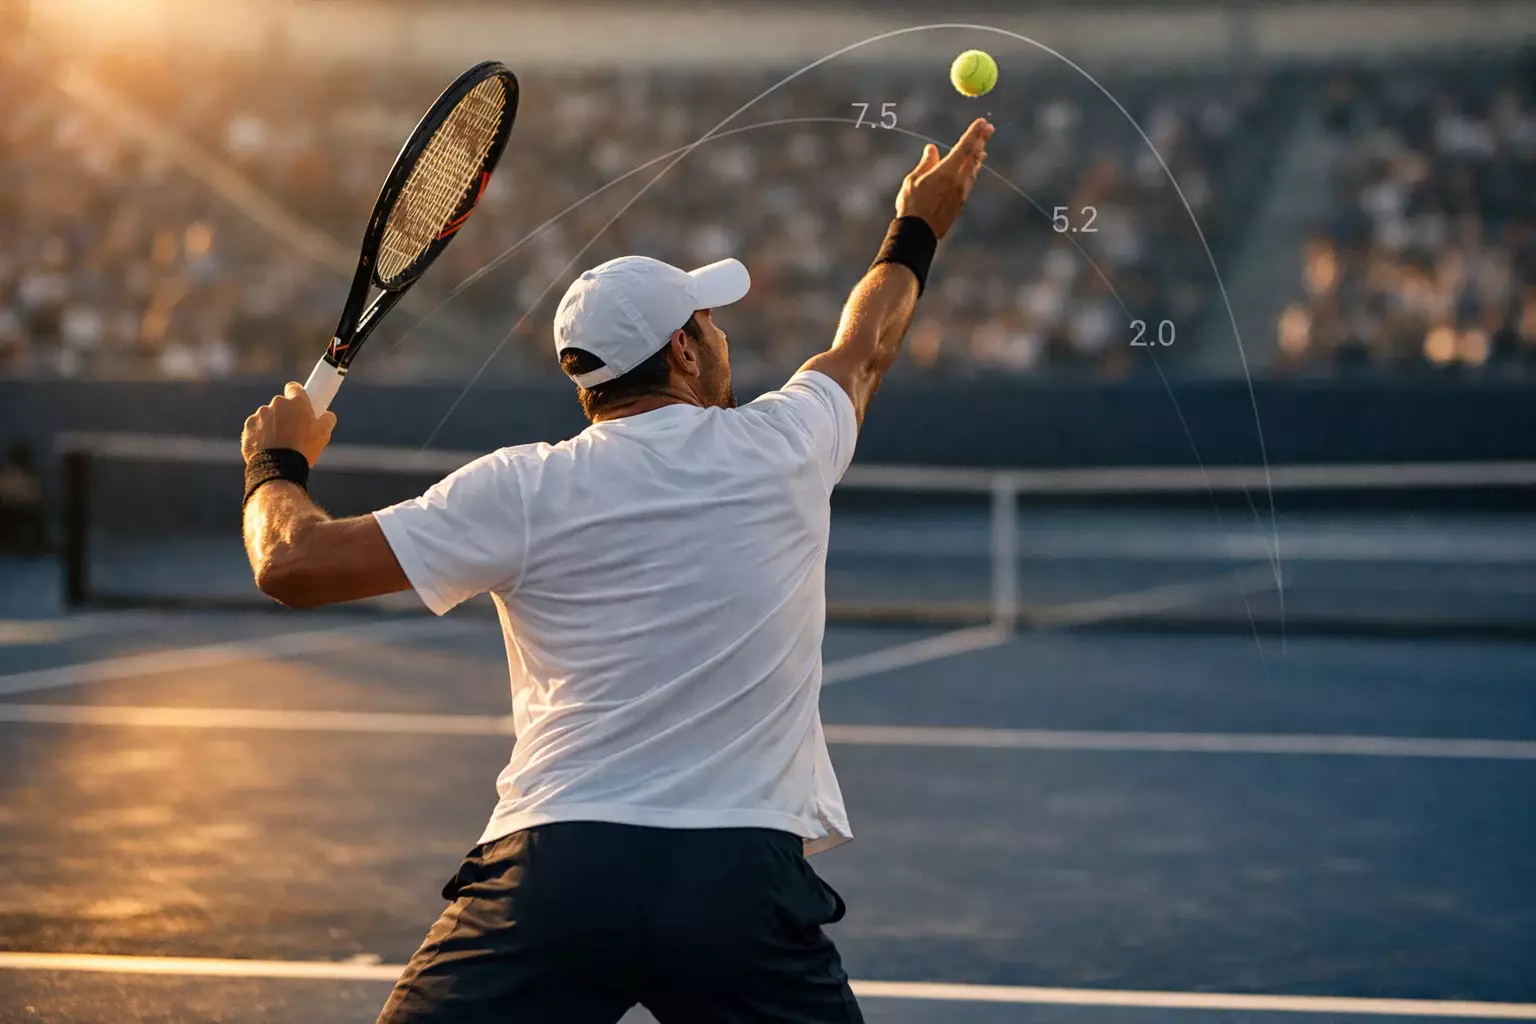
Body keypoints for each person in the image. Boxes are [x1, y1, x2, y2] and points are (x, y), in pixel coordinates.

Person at [240, 117, 993, 1024]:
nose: (720, 341)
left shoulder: (522, 486)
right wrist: (917, 227)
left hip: (556, 874)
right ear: (681, 351)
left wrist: (274, 465)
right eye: (709, 326)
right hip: (737, 884)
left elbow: (291, 562)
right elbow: (868, 342)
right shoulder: (783, 444)